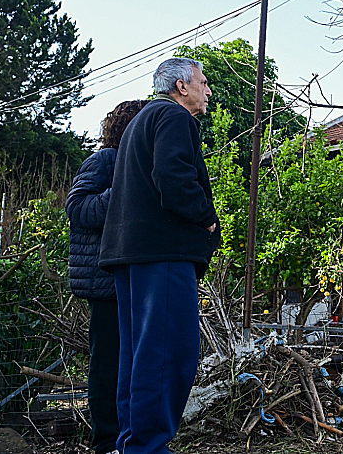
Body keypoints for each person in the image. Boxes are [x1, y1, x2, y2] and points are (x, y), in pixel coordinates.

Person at [99, 58, 220, 454]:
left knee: (138, 355)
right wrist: (206, 219)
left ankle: (131, 443)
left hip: (131, 254)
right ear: (182, 86)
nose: (207, 91)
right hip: (163, 253)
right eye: (202, 83)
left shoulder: (139, 122)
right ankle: (146, 448)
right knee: (169, 353)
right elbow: (173, 179)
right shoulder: (174, 117)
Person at [67, 100, 148, 454]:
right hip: (104, 282)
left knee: (131, 363)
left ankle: (128, 437)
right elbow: (78, 208)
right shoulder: (105, 160)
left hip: (132, 279)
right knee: (107, 364)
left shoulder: (141, 164)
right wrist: (123, 193)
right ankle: (105, 442)